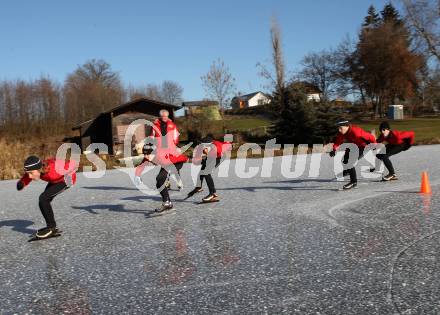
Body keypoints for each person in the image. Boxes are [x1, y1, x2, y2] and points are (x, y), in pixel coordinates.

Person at [135, 109, 188, 212]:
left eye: (148, 155)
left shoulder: (159, 151)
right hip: (168, 162)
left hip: (176, 162)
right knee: (159, 181)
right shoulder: (150, 154)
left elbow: (176, 154)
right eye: (146, 155)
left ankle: (170, 196)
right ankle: (167, 202)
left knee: (160, 178)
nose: (148, 158)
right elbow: (143, 163)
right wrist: (137, 175)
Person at [16, 155, 77, 239]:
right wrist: (22, 183)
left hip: (66, 180)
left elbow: (69, 164)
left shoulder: (55, 170)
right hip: (54, 181)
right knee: (43, 200)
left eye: (31, 173)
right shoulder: (39, 169)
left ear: (38, 170)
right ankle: (51, 226)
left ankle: (51, 227)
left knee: (43, 198)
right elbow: (27, 176)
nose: (29, 176)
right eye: (28, 173)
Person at [329, 119, 376, 190]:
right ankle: (347, 171)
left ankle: (353, 182)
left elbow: (370, 137)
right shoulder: (342, 133)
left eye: (340, 128)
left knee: (350, 162)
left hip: (363, 147)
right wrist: (334, 149)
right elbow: (338, 141)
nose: (339, 130)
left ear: (347, 126)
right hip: (353, 146)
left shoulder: (356, 132)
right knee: (345, 160)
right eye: (338, 128)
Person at [186, 135, 232, 202]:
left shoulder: (217, 148)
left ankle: (212, 194)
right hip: (213, 154)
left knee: (206, 172)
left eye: (204, 146)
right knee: (203, 169)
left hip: (219, 156)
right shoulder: (209, 145)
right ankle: (198, 187)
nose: (203, 148)